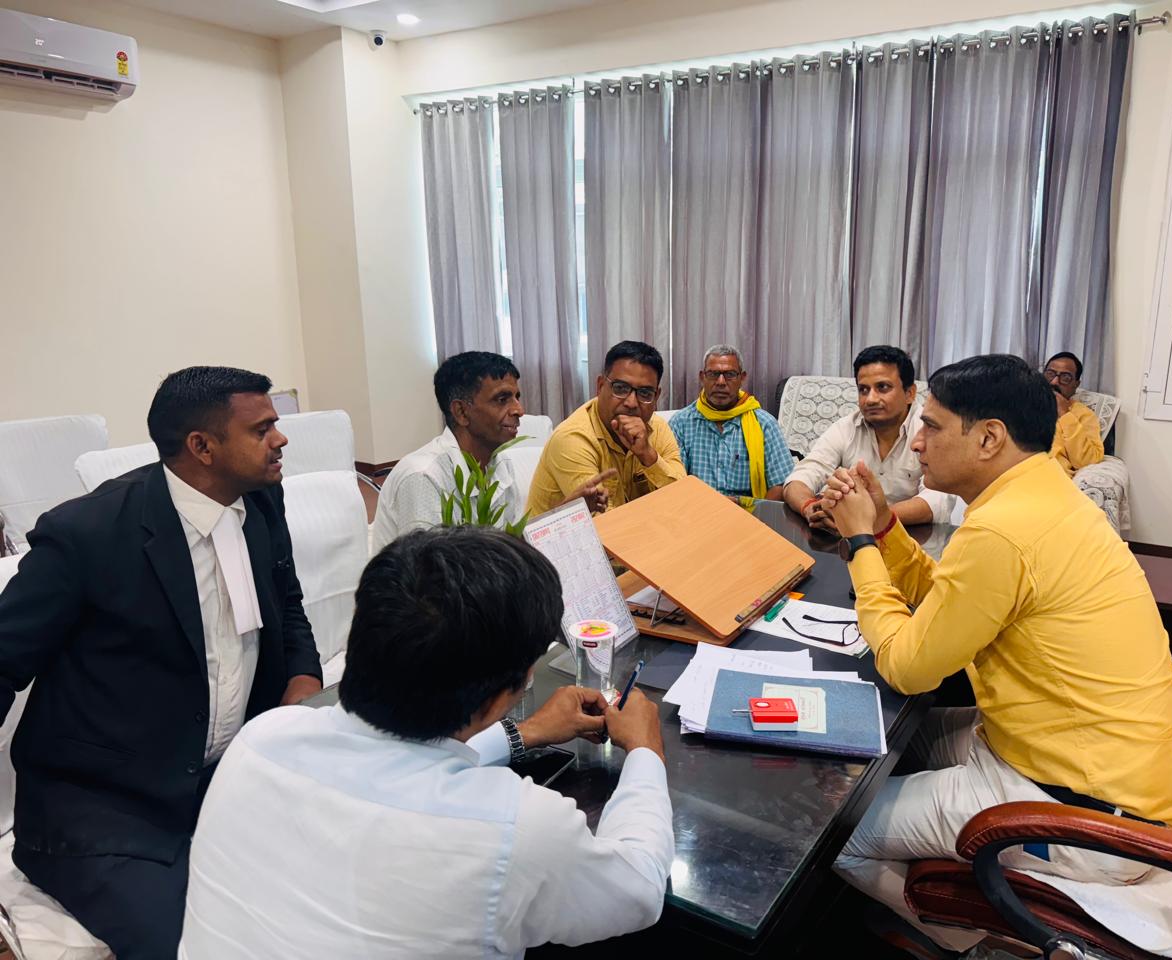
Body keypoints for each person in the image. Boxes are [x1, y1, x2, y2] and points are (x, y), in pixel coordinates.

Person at [820, 354, 1172, 953]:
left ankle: (968, 941)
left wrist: (861, 541)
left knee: (831, 829)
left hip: (1080, 811)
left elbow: (908, 667)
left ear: (989, 438)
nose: (917, 442)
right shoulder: (1045, 498)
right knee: (894, 742)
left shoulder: (1002, 530)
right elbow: (950, 601)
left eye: (932, 426)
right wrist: (887, 527)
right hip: (1103, 768)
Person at [180, 526, 674, 959]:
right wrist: (645, 752)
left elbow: (399, 767)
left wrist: (525, 733)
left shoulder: (260, 740)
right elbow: (639, 888)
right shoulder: (515, 830)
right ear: (503, 695)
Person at [0, 366, 323, 959]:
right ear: (202, 446)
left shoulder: (260, 498)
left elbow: (287, 602)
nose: (281, 439)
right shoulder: (87, 534)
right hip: (103, 809)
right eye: (262, 429)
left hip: (227, 777)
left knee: (335, 891)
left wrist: (303, 680)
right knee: (196, 946)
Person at [372, 352, 612, 551]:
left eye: (516, 397)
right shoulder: (423, 477)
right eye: (502, 399)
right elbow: (430, 576)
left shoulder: (498, 463)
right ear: (461, 412)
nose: (519, 410)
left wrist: (568, 508)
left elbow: (509, 547)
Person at [783, 345, 951, 533]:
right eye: (863, 390)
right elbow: (800, 477)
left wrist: (866, 519)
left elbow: (936, 501)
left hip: (914, 540)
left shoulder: (930, 430)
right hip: (850, 539)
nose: (870, 399)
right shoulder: (846, 427)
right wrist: (809, 507)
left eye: (883, 387)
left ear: (909, 393)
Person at [526, 340, 685, 516]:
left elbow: (684, 497)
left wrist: (647, 454)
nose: (631, 403)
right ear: (600, 386)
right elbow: (604, 523)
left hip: (634, 529)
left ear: (656, 397)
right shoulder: (573, 439)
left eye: (645, 393)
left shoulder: (656, 427)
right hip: (569, 534)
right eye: (620, 388)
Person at [667, 344, 793, 506]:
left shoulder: (764, 424)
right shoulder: (681, 423)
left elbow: (780, 484)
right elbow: (675, 484)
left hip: (749, 514)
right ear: (702, 377)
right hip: (696, 511)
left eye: (730, 375)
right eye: (713, 374)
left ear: (742, 378)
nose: (721, 382)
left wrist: (755, 515)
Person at [1044, 350, 1104, 477]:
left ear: (1076, 385)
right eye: (1050, 374)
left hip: (1050, 477)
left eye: (1065, 378)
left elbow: (1088, 460)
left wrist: (1065, 414)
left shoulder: (1082, 414)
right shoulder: (1023, 403)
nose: (1054, 382)